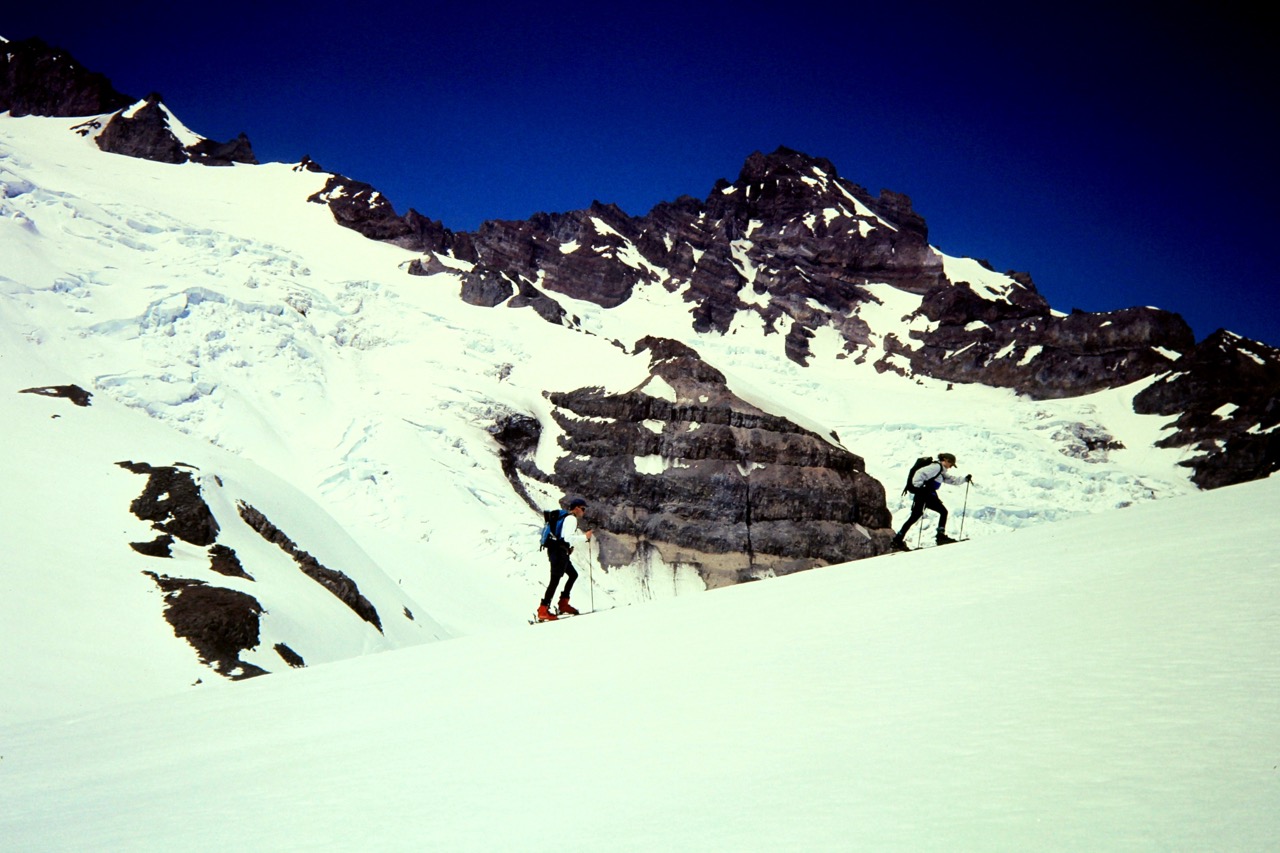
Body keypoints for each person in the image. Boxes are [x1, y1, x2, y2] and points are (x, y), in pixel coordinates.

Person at [892, 453, 971, 551]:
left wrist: (964, 480)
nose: (950, 467)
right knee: (942, 512)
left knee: (916, 516)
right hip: (924, 494)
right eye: (951, 464)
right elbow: (920, 473)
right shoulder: (936, 467)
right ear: (946, 460)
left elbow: (950, 480)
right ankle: (940, 537)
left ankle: (897, 540)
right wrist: (920, 487)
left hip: (925, 494)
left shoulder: (940, 470)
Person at [537, 497, 593, 621]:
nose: (584, 512)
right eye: (583, 509)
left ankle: (562, 604)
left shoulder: (566, 518)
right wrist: (585, 537)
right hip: (558, 552)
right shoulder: (571, 518)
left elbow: (563, 537)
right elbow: (567, 537)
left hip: (558, 551)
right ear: (577, 508)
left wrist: (569, 547)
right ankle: (543, 609)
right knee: (555, 579)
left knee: (572, 575)